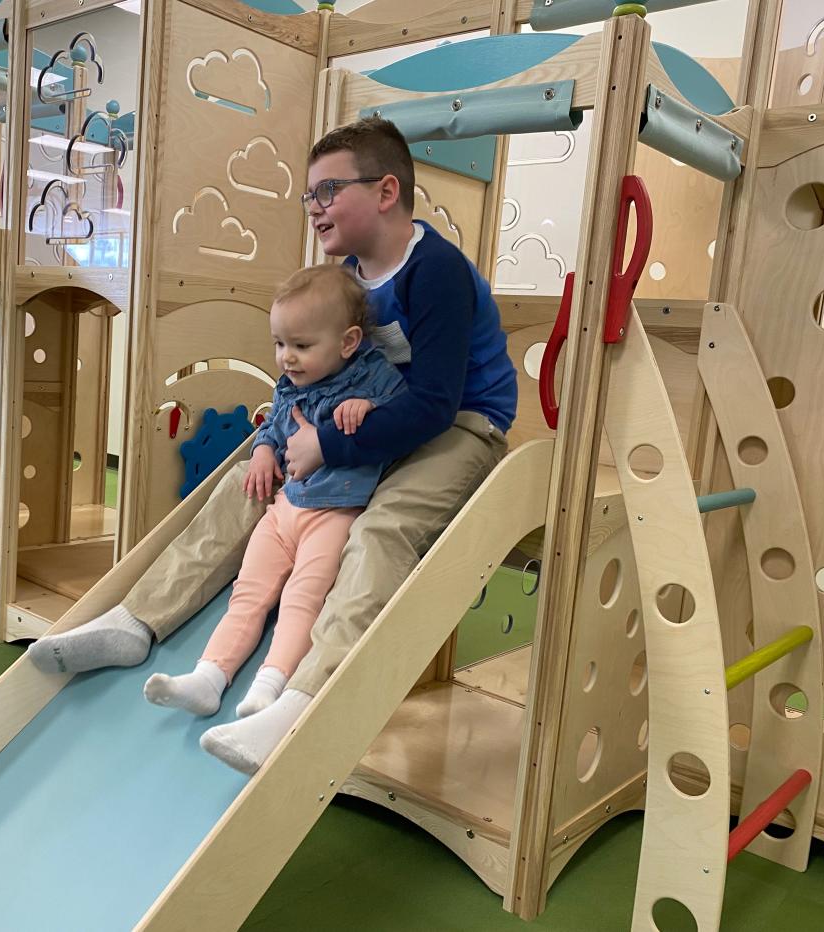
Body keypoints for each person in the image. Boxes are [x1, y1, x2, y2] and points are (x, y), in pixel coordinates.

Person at [28, 116, 517, 774]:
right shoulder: (344, 277)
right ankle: (137, 622)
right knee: (248, 480)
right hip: (369, 418)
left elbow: (433, 404)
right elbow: (311, 390)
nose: (313, 208)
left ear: (386, 192)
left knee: (383, 528)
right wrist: (271, 444)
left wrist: (329, 450)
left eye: (327, 191)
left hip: (460, 423)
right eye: (309, 195)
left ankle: (302, 700)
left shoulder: (435, 273)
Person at [143, 264, 404, 719]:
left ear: (348, 342)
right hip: (283, 510)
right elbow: (276, 428)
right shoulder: (289, 387)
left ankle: (271, 684)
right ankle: (209, 677)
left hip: (335, 515)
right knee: (248, 592)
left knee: (302, 600)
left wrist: (371, 408)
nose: (287, 357)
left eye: (302, 346)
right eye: (280, 344)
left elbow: (406, 411)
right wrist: (263, 450)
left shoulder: (373, 377)